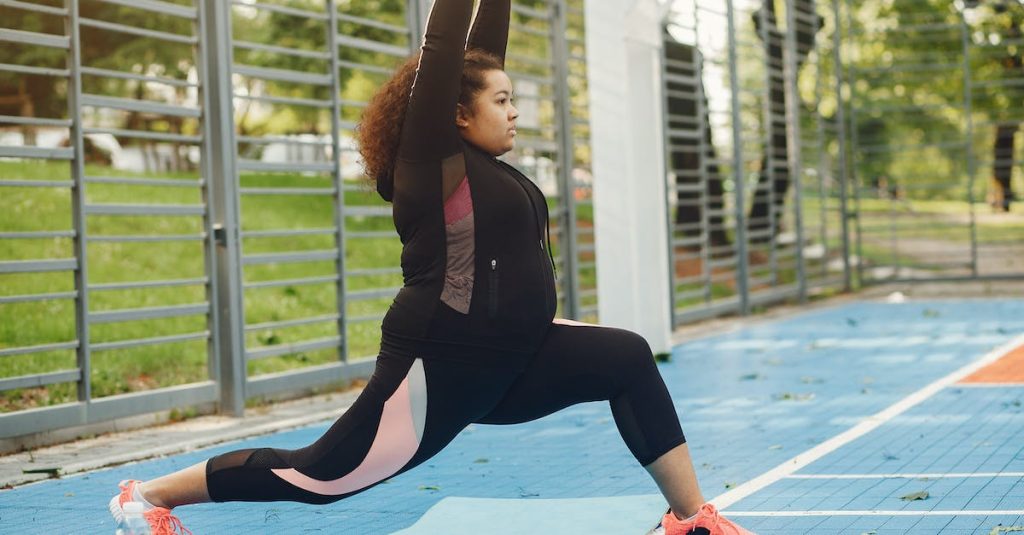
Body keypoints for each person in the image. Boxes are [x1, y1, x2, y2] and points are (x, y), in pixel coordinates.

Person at [107, 1, 753, 534]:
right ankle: (148, 494)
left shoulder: (492, 169)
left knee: (628, 358)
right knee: (319, 475)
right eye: (501, 100)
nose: (514, 109)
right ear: (456, 113)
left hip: (514, 357)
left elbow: (481, 43)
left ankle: (690, 519)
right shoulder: (430, 165)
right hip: (438, 367)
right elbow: (445, 48)